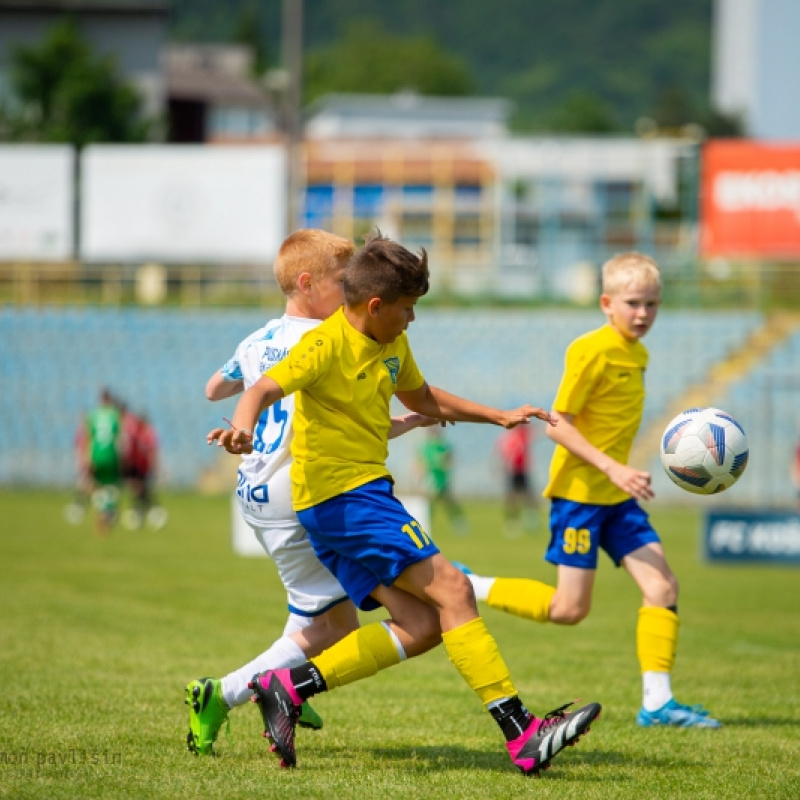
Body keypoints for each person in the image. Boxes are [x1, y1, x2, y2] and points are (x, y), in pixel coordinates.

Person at [208, 230, 601, 776]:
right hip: (344, 498)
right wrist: (241, 430)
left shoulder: (390, 341)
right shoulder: (322, 346)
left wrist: (498, 415)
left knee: (422, 625)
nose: (412, 320)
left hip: (349, 499)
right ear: (374, 306)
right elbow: (259, 391)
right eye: (408, 309)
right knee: (455, 589)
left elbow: (420, 396)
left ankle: (287, 688)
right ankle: (523, 733)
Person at [187, 229, 440, 756]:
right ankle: (230, 692)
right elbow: (345, 424)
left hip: (256, 490)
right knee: (356, 620)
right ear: (308, 284)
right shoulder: (329, 341)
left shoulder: (258, 340)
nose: (351, 290)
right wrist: (407, 421)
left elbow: (215, 388)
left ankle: (280, 694)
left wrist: (246, 402)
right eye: (342, 281)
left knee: (321, 617)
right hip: (305, 491)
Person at [459, 252, 720, 729]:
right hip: (580, 494)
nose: (643, 314)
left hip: (616, 498)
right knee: (569, 610)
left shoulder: (638, 352)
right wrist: (612, 468)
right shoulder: (590, 350)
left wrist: (619, 474)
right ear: (606, 303)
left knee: (662, 586)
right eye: (633, 303)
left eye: (652, 305)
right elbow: (557, 426)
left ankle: (658, 703)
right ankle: (469, 585)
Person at [84, 387, 123, 534]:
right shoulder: (115, 415)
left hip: (96, 455)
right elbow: (120, 439)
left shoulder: (93, 415)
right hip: (111, 455)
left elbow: (89, 438)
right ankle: (109, 512)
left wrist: (88, 459)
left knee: (98, 486)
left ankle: (102, 512)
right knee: (111, 486)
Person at [418, 426, 469, 534]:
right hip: (431, 479)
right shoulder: (426, 447)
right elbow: (420, 464)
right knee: (429, 504)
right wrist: (421, 476)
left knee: (449, 503)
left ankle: (458, 522)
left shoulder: (444, 447)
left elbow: (450, 461)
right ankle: (425, 524)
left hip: (442, 479)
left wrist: (444, 464)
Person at [497, 424, 538, 537]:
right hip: (513, 471)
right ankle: (512, 520)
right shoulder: (509, 438)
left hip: (522, 470)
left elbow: (536, 432)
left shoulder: (522, 435)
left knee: (528, 495)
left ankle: (531, 517)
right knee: (512, 498)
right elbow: (504, 455)